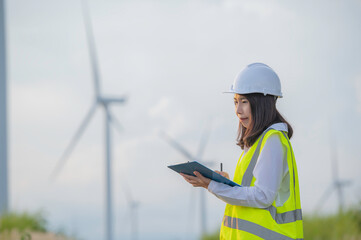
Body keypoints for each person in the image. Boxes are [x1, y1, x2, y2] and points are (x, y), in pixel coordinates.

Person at [180, 63, 303, 240]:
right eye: (236, 102)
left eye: (244, 102)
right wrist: (226, 183)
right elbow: (253, 192)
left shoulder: (273, 140)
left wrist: (213, 185)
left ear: (263, 103)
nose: (238, 110)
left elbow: (263, 196)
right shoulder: (257, 143)